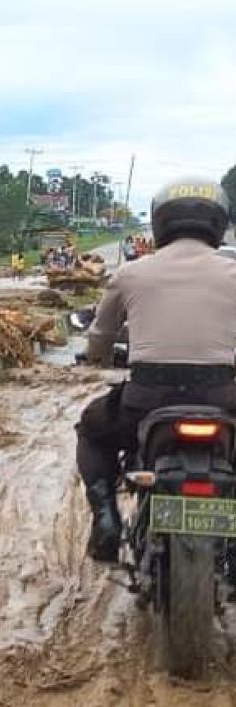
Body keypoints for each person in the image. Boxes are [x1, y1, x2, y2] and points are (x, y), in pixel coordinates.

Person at [76, 177, 236, 563]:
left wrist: (95, 356)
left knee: (92, 431)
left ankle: (106, 520)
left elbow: (101, 335)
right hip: (223, 398)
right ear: (218, 222)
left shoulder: (132, 273)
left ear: (160, 222)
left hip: (145, 402)